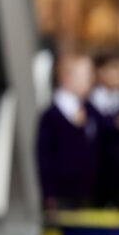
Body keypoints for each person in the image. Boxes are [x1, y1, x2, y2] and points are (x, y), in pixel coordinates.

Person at [36, 53, 100, 210]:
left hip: (86, 192)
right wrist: (49, 193)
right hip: (61, 194)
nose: (90, 80)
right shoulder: (51, 115)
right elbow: (44, 158)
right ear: (66, 78)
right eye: (85, 75)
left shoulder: (90, 110)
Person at [89, 49, 119, 207]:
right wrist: (114, 123)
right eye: (115, 68)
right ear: (100, 72)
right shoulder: (86, 105)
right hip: (94, 184)